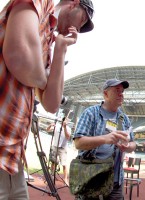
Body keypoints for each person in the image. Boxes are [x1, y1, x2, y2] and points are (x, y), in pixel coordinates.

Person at [0, 0, 94, 199]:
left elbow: (51, 103)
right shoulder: (40, 3)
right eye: (83, 19)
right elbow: (19, 57)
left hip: (12, 150)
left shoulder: (49, 45)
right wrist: (43, 80)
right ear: (74, 3)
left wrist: (61, 49)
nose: (78, 28)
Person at [73, 78, 137, 200]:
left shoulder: (124, 118)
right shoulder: (91, 113)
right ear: (106, 94)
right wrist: (104, 139)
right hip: (91, 180)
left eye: (122, 91)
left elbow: (133, 143)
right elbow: (78, 143)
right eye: (117, 90)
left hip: (115, 182)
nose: (121, 94)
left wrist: (128, 146)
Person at [47, 117, 72, 185]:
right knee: (53, 162)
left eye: (67, 122)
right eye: (65, 121)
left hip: (63, 148)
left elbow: (68, 137)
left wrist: (64, 128)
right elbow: (48, 130)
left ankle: (65, 179)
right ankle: (51, 176)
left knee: (64, 164)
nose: (66, 122)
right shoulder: (57, 126)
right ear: (62, 121)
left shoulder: (68, 129)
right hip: (55, 146)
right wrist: (50, 125)